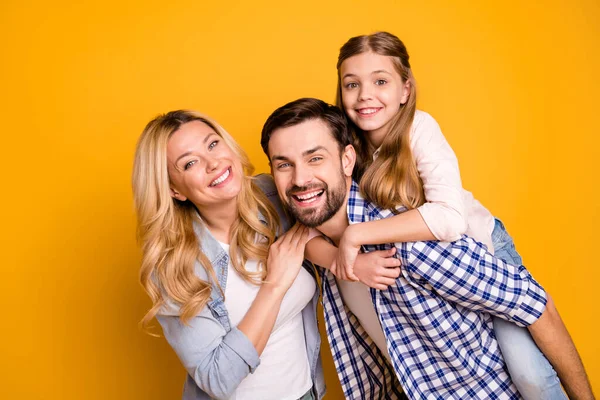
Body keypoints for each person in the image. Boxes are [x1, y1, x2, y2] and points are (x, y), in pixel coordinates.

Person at [307, 31, 590, 399]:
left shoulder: (418, 130)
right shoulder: (347, 148)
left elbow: (449, 220)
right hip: (433, 274)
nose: (365, 96)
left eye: (380, 81)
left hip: (482, 249)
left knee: (529, 372)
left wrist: (357, 235)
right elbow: (304, 226)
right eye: (351, 84)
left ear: (405, 90)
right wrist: (340, 257)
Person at [132, 110, 325, 400]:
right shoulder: (174, 267)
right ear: (174, 189)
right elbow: (217, 379)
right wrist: (274, 286)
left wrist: (344, 256)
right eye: (190, 163)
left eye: (212, 144)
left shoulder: (274, 195)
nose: (213, 163)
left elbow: (329, 208)